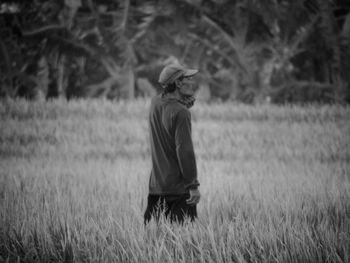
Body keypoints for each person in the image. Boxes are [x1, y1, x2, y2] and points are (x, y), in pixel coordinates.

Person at [144, 63, 201, 224]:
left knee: (152, 242)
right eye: (188, 78)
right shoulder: (181, 113)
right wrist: (193, 186)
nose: (193, 82)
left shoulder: (155, 103)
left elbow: (167, 114)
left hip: (156, 187)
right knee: (183, 244)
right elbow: (185, 151)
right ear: (178, 83)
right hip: (178, 190)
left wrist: (182, 103)